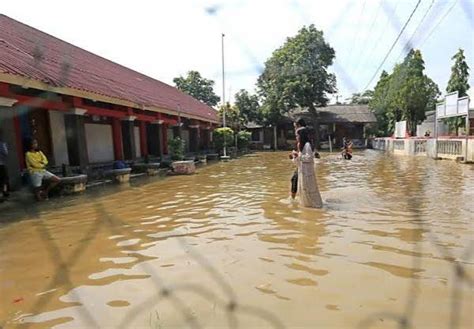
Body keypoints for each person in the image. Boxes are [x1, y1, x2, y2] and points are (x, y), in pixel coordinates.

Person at [289, 118, 323, 208]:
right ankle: (304, 203)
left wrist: (298, 156)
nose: (296, 137)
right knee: (302, 185)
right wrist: (295, 156)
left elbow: (309, 157)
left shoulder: (306, 144)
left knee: (307, 186)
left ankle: (312, 204)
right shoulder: (302, 144)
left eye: (297, 136)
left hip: (307, 170)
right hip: (303, 168)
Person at [0, 130, 10, 202]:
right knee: (4, 178)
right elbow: (5, 152)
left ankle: (4, 192)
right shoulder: (1, 143)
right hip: (0, 164)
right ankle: (3, 193)